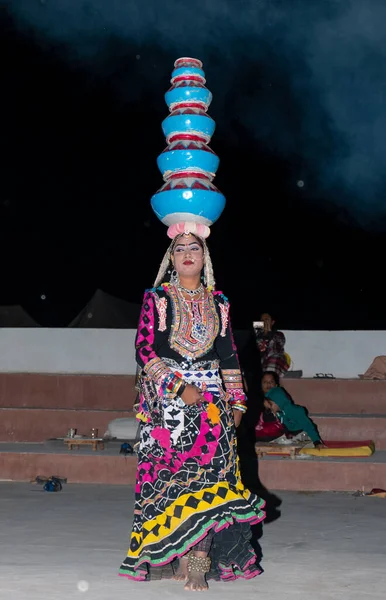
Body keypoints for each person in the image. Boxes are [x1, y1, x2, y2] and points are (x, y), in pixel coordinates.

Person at [119, 232, 266, 591]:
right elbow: (143, 352)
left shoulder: (220, 303)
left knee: (211, 484)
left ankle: (199, 564)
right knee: (169, 485)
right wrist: (177, 388)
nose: (187, 254)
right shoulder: (157, 299)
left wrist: (239, 403)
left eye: (194, 249)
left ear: (205, 257)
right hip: (166, 407)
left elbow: (229, 356)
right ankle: (177, 559)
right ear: (170, 258)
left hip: (211, 406)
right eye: (179, 249)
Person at [255, 372, 325, 448]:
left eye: (271, 382)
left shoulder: (289, 408)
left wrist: (316, 441)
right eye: (265, 382)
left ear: (276, 385)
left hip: (290, 430)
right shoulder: (258, 402)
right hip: (273, 432)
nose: (268, 384)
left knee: (305, 431)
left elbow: (306, 424)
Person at [254, 312, 289, 376]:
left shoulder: (278, 334)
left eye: (267, 319)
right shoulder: (256, 335)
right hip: (260, 362)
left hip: (274, 361)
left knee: (274, 360)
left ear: (272, 322)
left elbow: (281, 343)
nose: (264, 322)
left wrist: (269, 332)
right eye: (262, 320)